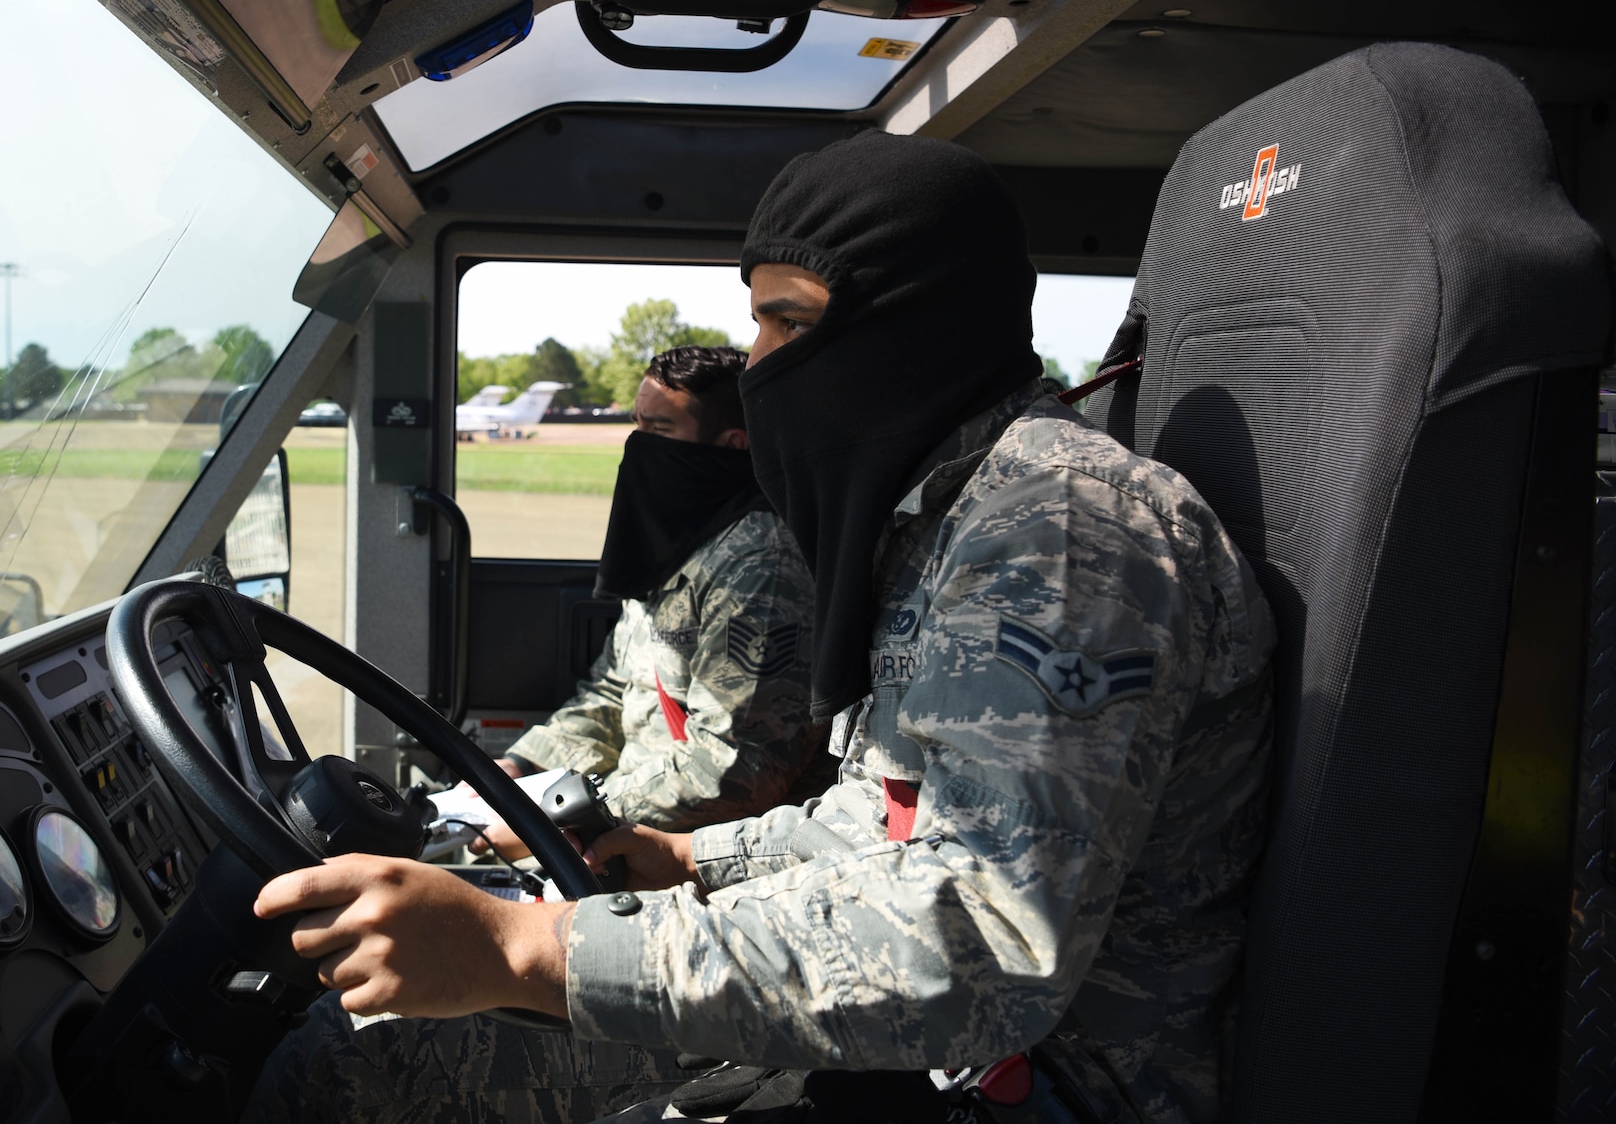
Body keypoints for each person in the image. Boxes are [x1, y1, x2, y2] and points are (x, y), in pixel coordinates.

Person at [249, 133, 1276, 1124]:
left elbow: (978, 938)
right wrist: (683, 861)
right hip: (936, 1049)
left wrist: (521, 946)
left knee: (353, 1064)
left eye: (788, 325)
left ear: (914, 324)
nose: (760, 365)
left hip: (1039, 1081)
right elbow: (888, 819)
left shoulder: (1055, 531)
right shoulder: (943, 522)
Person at [478, 345, 827, 863]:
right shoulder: (675, 547)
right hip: (628, 815)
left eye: (659, 431)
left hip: (701, 853)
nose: (638, 447)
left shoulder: (761, 566)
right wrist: (521, 769)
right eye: (636, 425)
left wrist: (564, 816)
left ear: (731, 445)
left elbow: (734, 770)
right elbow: (614, 691)